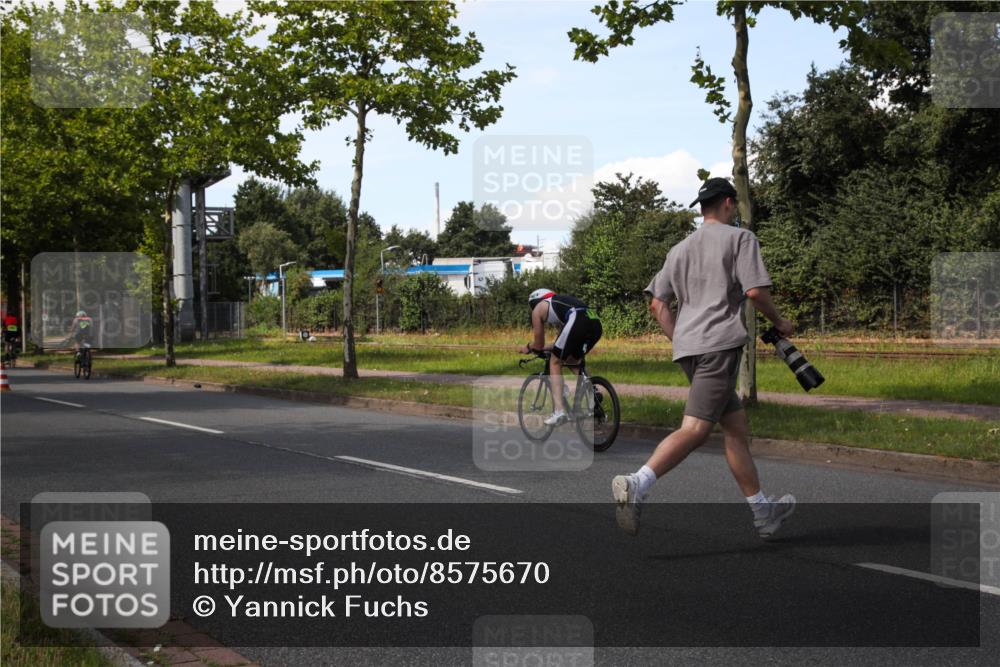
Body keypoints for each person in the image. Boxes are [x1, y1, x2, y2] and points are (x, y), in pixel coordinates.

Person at [612, 177, 796, 539]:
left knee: (735, 429)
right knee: (696, 429)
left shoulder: (678, 250)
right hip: (718, 347)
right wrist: (780, 321)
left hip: (690, 350)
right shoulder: (741, 238)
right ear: (729, 202)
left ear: (703, 206)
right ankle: (638, 482)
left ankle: (764, 512)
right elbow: (756, 291)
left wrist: (680, 338)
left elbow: (657, 304)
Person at [518, 289, 603, 425]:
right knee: (572, 360)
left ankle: (559, 412)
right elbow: (559, 344)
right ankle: (592, 390)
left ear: (534, 302)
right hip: (595, 322)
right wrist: (544, 348)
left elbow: (538, 344)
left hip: (578, 319)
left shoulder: (538, 309)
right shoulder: (561, 306)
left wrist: (528, 348)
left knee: (554, 362)